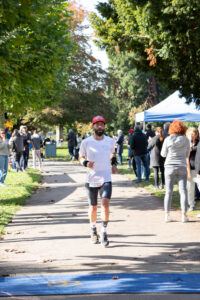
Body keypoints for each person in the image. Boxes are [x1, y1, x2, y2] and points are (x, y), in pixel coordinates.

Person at [79, 115, 117, 247]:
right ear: (93, 126)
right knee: (93, 207)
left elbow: (113, 153)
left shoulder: (110, 141)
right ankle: (93, 230)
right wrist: (86, 163)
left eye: (102, 124)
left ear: (104, 126)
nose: (100, 126)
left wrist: (113, 163)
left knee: (105, 205)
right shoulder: (86, 142)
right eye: (97, 124)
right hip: (92, 178)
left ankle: (104, 232)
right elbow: (81, 157)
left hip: (106, 177)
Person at [161, 119, 190, 223]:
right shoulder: (186, 140)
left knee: (168, 191)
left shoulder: (168, 139)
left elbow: (163, 154)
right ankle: (184, 215)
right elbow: (187, 154)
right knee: (183, 191)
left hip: (169, 166)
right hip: (182, 166)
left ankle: (167, 215)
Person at [186, 127, 199, 211]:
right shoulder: (186, 143)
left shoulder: (198, 143)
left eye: (193, 134)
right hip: (189, 168)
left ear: (196, 135)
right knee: (190, 187)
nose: (192, 136)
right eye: (190, 134)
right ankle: (191, 204)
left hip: (197, 169)